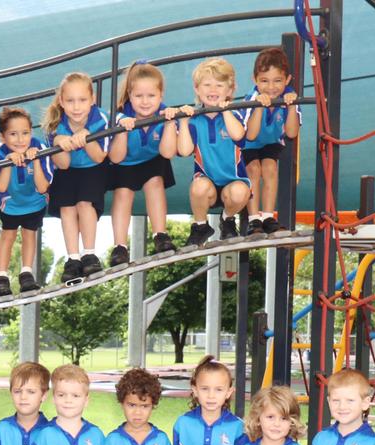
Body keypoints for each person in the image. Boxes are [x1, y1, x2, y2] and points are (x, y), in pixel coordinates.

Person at [106, 61, 179, 264]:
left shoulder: (166, 113)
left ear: (161, 95)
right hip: (125, 162)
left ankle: (160, 235)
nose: (145, 102)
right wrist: (122, 131)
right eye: (139, 96)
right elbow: (115, 158)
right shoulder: (120, 116)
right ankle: (120, 246)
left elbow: (167, 152)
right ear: (130, 95)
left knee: (155, 183)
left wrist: (170, 123)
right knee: (123, 193)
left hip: (152, 160)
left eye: (151, 96)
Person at [44, 71, 111, 283]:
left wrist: (87, 138)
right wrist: (59, 143)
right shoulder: (56, 125)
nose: (76, 106)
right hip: (68, 171)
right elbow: (63, 165)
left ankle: (89, 253)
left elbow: (100, 156)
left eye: (82, 100)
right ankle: (73, 259)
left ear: (92, 100)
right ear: (62, 102)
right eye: (70, 101)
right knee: (67, 208)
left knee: (84, 204)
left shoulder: (100, 119)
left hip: (93, 168)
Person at [176, 57, 249, 244]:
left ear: (230, 90)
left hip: (233, 182)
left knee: (241, 192)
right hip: (206, 181)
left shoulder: (235, 114)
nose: (213, 90)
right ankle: (201, 225)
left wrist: (225, 111)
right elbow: (184, 151)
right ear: (197, 89)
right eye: (207, 85)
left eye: (219, 85)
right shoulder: (194, 119)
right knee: (198, 186)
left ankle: (227, 219)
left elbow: (238, 136)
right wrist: (183, 121)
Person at [0, 107, 54, 296]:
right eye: (13, 134)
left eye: (25, 133)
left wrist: (35, 160)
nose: (20, 139)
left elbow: (43, 187)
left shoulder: (40, 147)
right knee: (7, 236)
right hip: (11, 204)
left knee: (29, 234)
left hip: (35, 202)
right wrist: (8, 162)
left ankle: (26, 273)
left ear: (31, 133)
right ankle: (1, 277)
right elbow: (1, 187)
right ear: (3, 137)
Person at [241, 47, 300, 234]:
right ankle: (253, 219)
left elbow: (291, 133)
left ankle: (267, 215)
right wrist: (258, 106)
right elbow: (250, 135)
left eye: (278, 81)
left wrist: (291, 107)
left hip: (271, 141)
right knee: (254, 169)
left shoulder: (290, 97)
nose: (271, 87)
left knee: (270, 168)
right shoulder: (252, 98)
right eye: (264, 81)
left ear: (287, 80)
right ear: (255, 80)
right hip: (249, 142)